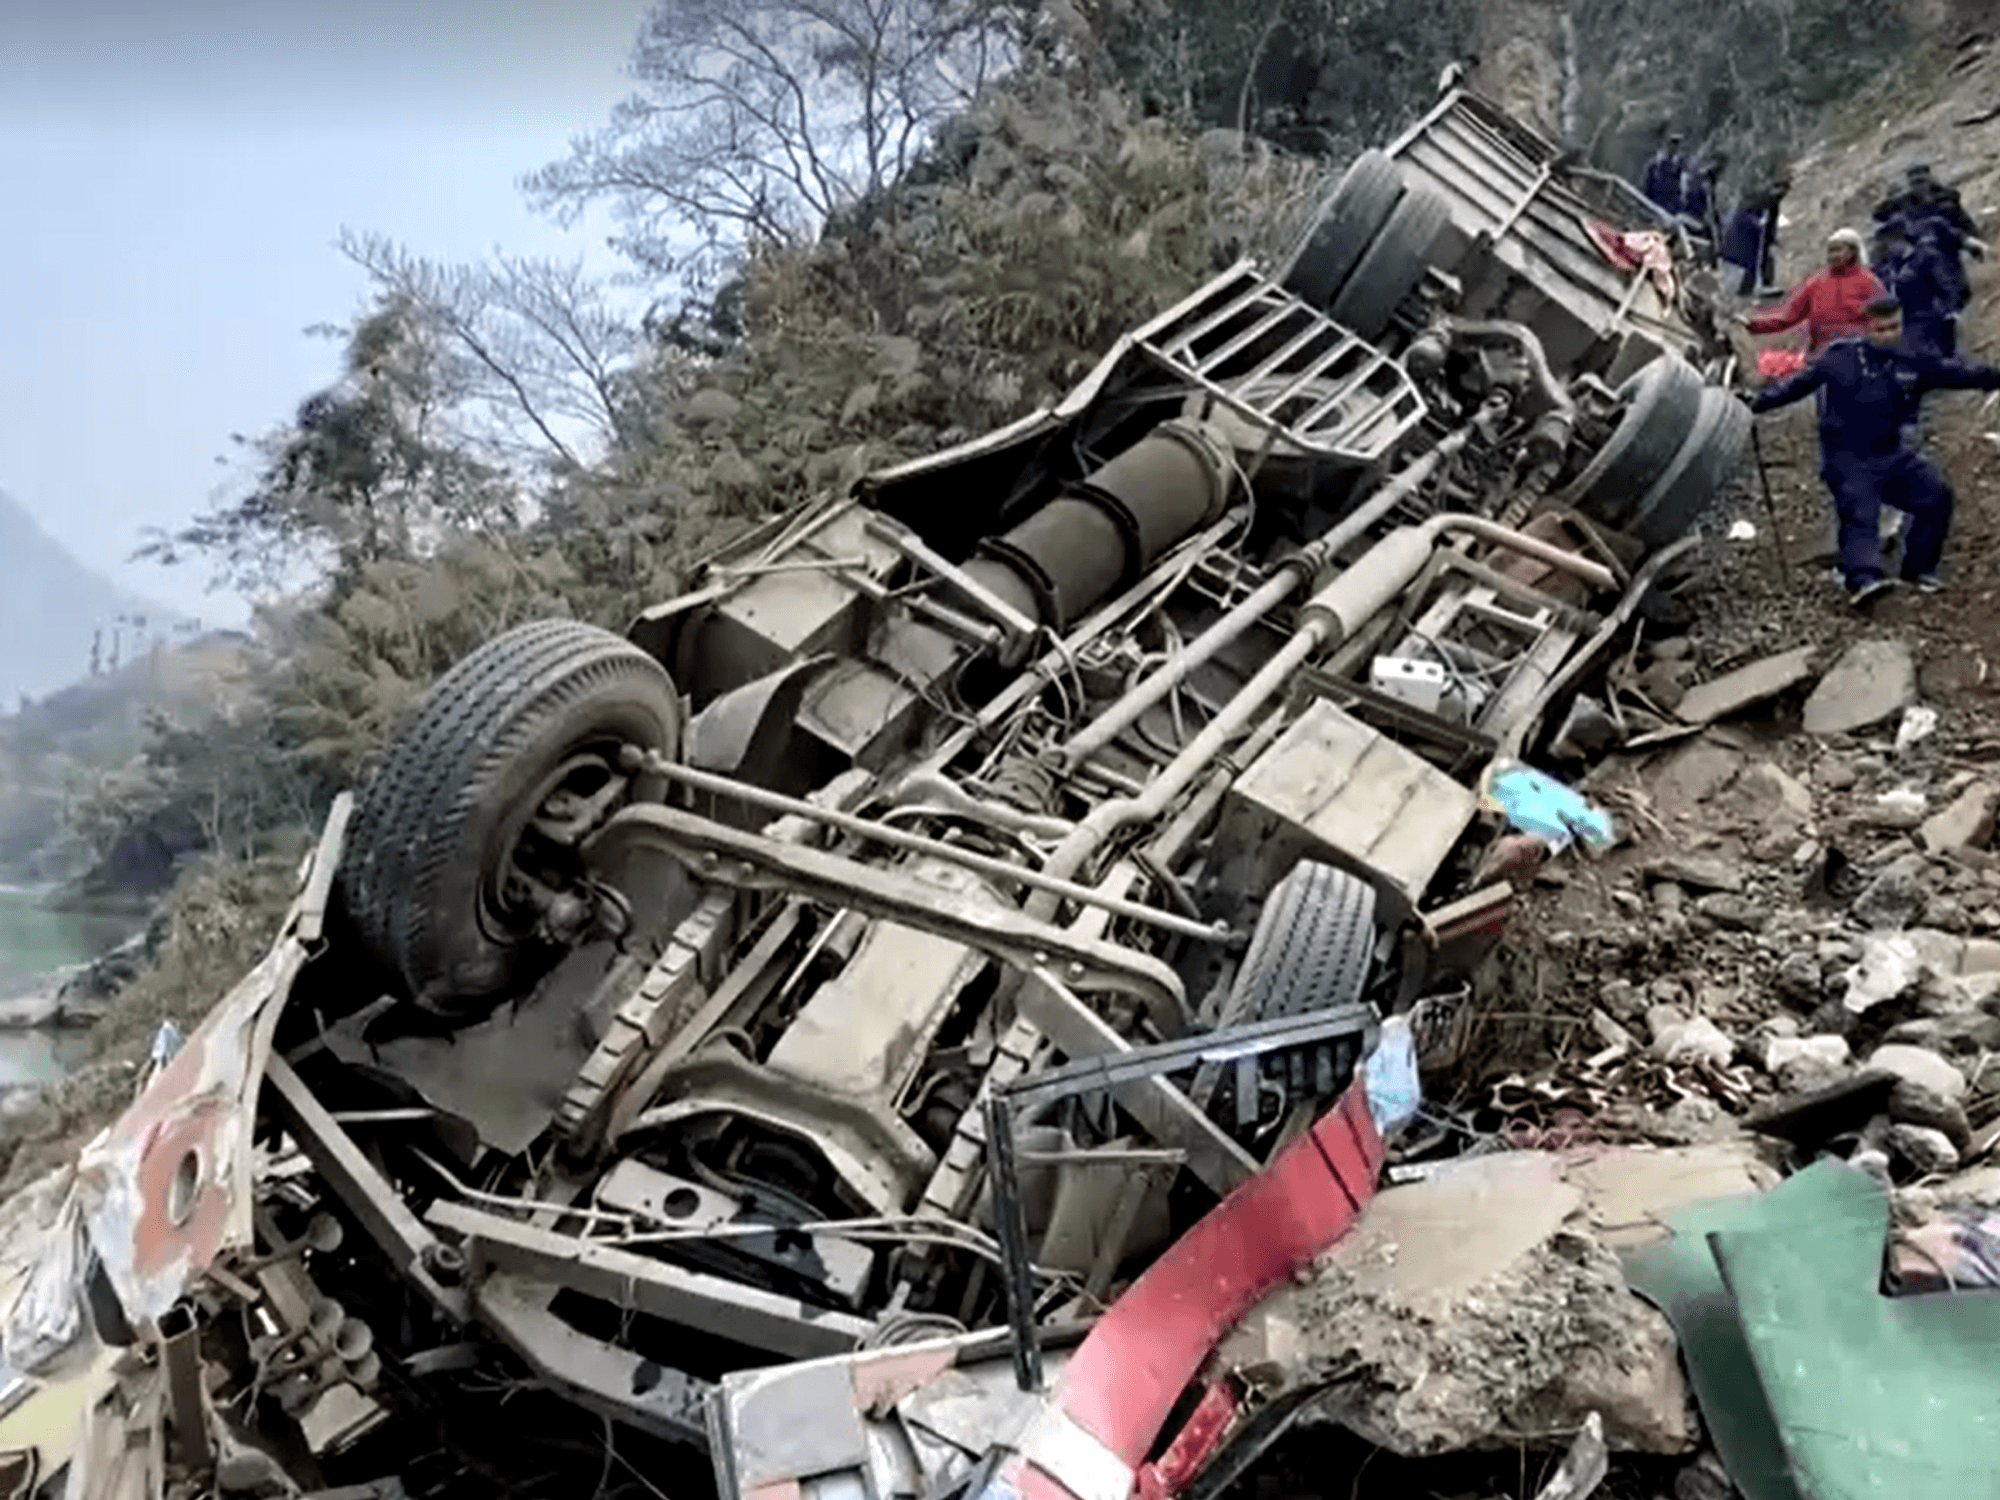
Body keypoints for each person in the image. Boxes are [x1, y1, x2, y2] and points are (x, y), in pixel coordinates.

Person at [1749, 295, 2000, 603]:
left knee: (1936, 496)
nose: (1889, 334)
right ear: (1866, 329)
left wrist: (1992, 377)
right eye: (1880, 329)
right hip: (1847, 457)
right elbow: (1798, 385)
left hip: (1892, 453)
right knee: (1860, 510)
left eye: (1894, 327)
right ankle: (1863, 580)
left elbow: (1955, 373)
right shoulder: (1839, 358)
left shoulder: (1913, 359)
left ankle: (1918, 570)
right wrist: (1756, 402)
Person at [1739, 228, 1885, 355]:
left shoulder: (1869, 283)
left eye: (1838, 250)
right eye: (1830, 251)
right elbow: (1789, 316)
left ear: (1853, 251)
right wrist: (1753, 324)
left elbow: (1885, 320)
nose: (1833, 255)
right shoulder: (1816, 282)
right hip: (1821, 356)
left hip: (1858, 354)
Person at [1719, 176, 1789, 296]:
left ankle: (1759, 284)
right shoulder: (1752, 210)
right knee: (1757, 253)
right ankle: (1757, 285)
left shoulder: (1754, 207)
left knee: (1764, 251)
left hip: (1734, 263)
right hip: (1739, 264)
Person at [1643, 133, 1688, 216]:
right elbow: (1647, 184)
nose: (1674, 147)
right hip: (1654, 202)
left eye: (1677, 144)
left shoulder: (1679, 166)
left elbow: (1680, 189)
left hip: (1669, 207)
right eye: (1672, 143)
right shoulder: (1654, 164)